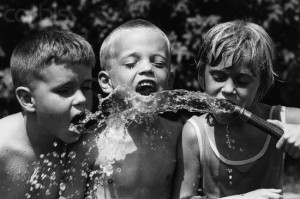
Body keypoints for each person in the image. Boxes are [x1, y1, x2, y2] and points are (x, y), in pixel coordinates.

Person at [173, 20, 300, 199]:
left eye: (242, 81)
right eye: (218, 77)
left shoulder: (281, 118)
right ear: (202, 76)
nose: (227, 89)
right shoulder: (195, 133)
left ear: (262, 85)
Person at [60, 19, 182, 199]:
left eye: (158, 63)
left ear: (170, 80)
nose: (147, 68)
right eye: (131, 63)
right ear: (106, 82)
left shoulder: (178, 137)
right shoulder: (90, 142)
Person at [0, 30, 95, 198]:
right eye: (65, 90)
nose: (81, 99)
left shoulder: (90, 145)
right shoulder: (3, 149)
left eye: (86, 87)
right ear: (28, 99)